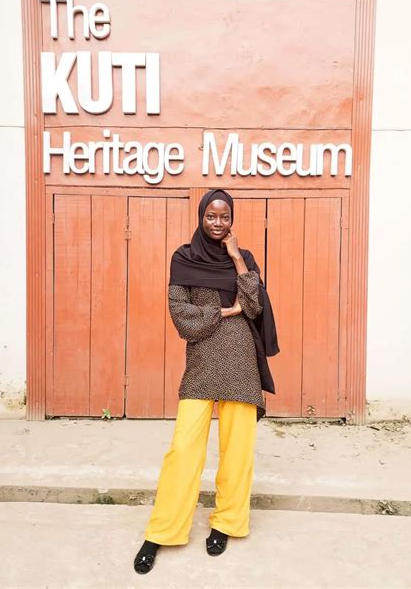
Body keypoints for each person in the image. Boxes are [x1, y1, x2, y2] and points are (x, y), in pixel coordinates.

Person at [133, 188, 279, 574]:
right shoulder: (183, 257)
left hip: (241, 364)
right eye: (211, 216)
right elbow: (181, 313)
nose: (218, 223)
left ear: (232, 220)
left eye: (224, 217)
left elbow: (255, 306)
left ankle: (227, 523)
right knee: (183, 449)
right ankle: (162, 531)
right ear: (201, 217)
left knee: (238, 452)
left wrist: (235, 257)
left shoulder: (243, 259)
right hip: (201, 363)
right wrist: (224, 312)